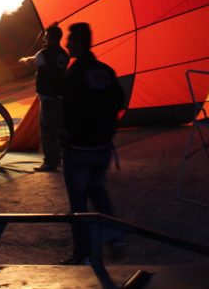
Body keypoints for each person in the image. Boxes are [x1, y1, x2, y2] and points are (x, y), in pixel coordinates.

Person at [60, 22, 126, 264]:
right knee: (98, 190)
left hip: (79, 149)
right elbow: (119, 101)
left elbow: (68, 111)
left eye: (70, 40)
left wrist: (67, 136)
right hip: (102, 147)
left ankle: (83, 254)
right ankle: (115, 238)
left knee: (78, 202)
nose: (66, 44)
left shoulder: (73, 75)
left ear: (78, 43)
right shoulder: (105, 70)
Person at [20, 25, 69, 172]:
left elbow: (33, 60)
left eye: (46, 36)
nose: (44, 39)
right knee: (60, 129)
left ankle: (50, 162)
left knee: (47, 130)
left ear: (52, 38)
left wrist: (23, 60)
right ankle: (61, 158)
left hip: (48, 98)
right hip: (61, 97)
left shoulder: (44, 54)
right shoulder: (64, 54)